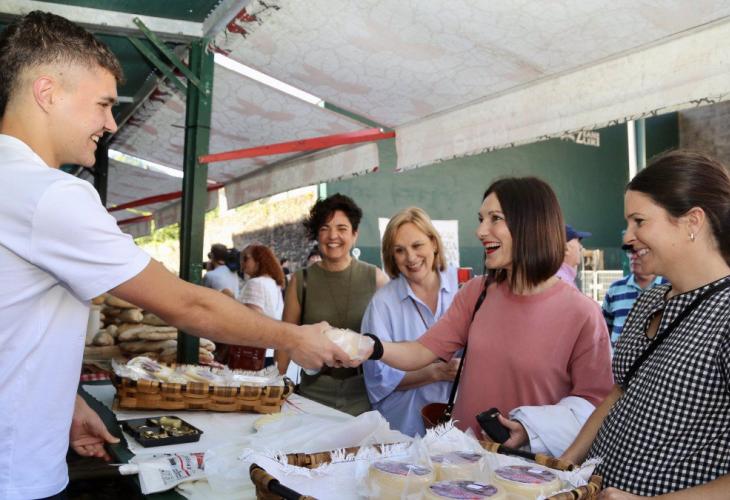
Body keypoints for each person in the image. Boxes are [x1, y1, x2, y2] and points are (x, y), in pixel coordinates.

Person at [0, 12, 355, 499]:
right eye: (103, 104)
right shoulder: (51, 194)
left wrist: (64, 403)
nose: (109, 123)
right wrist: (295, 337)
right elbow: (188, 305)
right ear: (47, 92)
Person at [370, 177, 613, 456]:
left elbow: (595, 403)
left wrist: (531, 430)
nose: (480, 231)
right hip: (463, 460)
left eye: (495, 218)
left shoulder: (582, 313)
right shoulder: (477, 293)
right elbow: (421, 351)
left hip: (529, 470)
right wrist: (368, 346)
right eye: (481, 219)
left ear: (530, 224)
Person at [562, 151, 730, 497]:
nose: (627, 237)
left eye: (639, 221)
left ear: (692, 221)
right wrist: (565, 464)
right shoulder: (650, 301)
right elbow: (620, 392)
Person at [278, 194, 389, 415]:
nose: (333, 236)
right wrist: (276, 387)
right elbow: (284, 341)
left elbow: (390, 339)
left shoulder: (375, 278)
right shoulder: (301, 281)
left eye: (342, 228)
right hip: (312, 395)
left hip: (364, 395)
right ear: (316, 235)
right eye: (325, 228)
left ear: (354, 234)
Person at [362, 207, 460, 437]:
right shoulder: (382, 304)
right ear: (392, 256)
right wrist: (435, 372)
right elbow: (378, 379)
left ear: (433, 243)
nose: (411, 257)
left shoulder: (463, 288)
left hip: (461, 426)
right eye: (400, 250)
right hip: (405, 429)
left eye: (417, 245)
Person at [224, 245, 286, 369]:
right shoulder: (273, 283)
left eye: (246, 258)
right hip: (268, 352)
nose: (242, 263)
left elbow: (252, 320)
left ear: (259, 260)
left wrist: (229, 301)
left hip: (253, 353)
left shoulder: (256, 283)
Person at [602, 244, 667, 345]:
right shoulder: (615, 288)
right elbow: (604, 329)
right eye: (631, 252)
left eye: (640, 252)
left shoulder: (670, 288)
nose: (633, 256)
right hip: (619, 355)